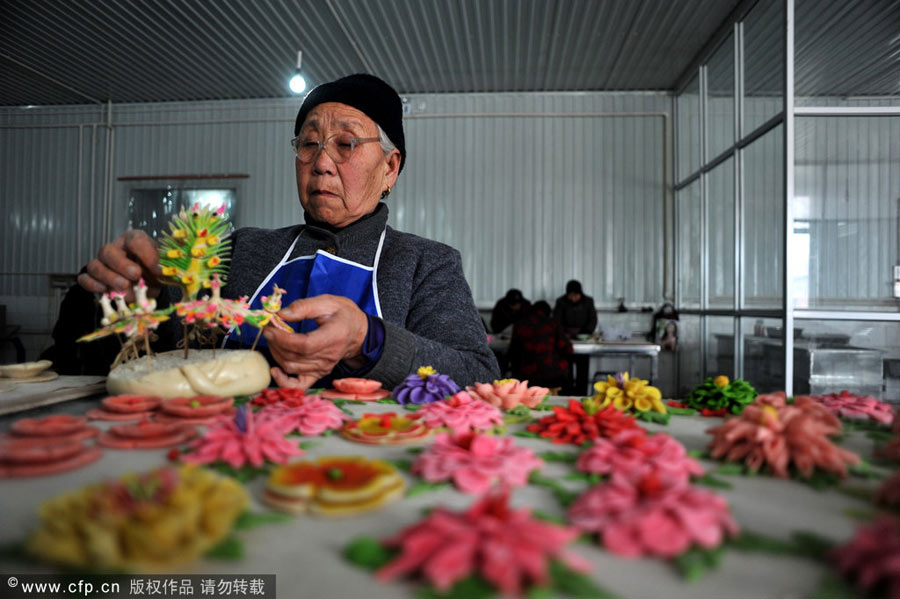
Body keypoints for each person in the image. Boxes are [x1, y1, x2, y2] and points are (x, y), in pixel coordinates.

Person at [78, 73, 499, 390]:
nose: (321, 163)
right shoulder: (242, 250)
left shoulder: (425, 264)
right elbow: (156, 353)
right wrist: (134, 295)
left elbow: (477, 375)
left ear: (390, 168)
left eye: (345, 144)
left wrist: (366, 339)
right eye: (309, 144)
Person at [508, 300, 571, 390]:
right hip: (552, 373)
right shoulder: (553, 323)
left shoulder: (519, 324)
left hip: (527, 374)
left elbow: (513, 352)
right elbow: (567, 348)